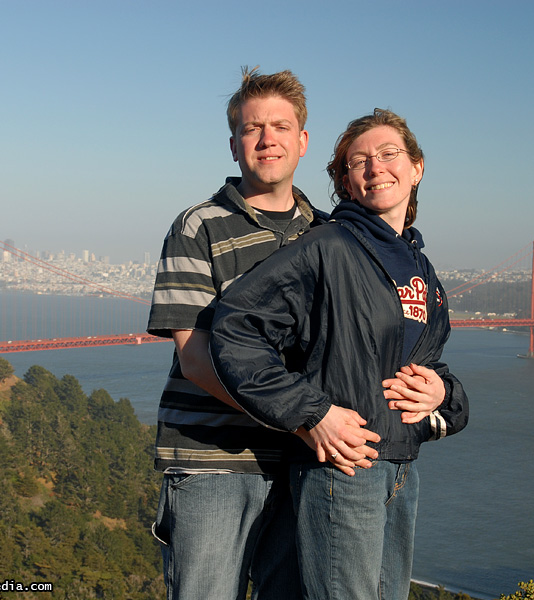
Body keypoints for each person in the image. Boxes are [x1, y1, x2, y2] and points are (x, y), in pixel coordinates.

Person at [210, 108, 470, 600]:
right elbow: (237, 327)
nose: (375, 167)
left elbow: (427, 365)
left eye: (388, 154)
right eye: (358, 161)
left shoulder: (423, 270)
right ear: (346, 183)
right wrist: (312, 412)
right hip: (342, 473)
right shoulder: (327, 247)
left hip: (402, 471)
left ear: (416, 167)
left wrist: (444, 393)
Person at [147, 67, 379, 599]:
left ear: (302, 142)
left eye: (280, 126)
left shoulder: (334, 236)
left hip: (306, 466)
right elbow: (197, 361)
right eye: (253, 129)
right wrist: (306, 420)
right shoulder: (197, 226)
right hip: (214, 462)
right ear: (234, 145)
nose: (267, 139)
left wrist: (437, 390)